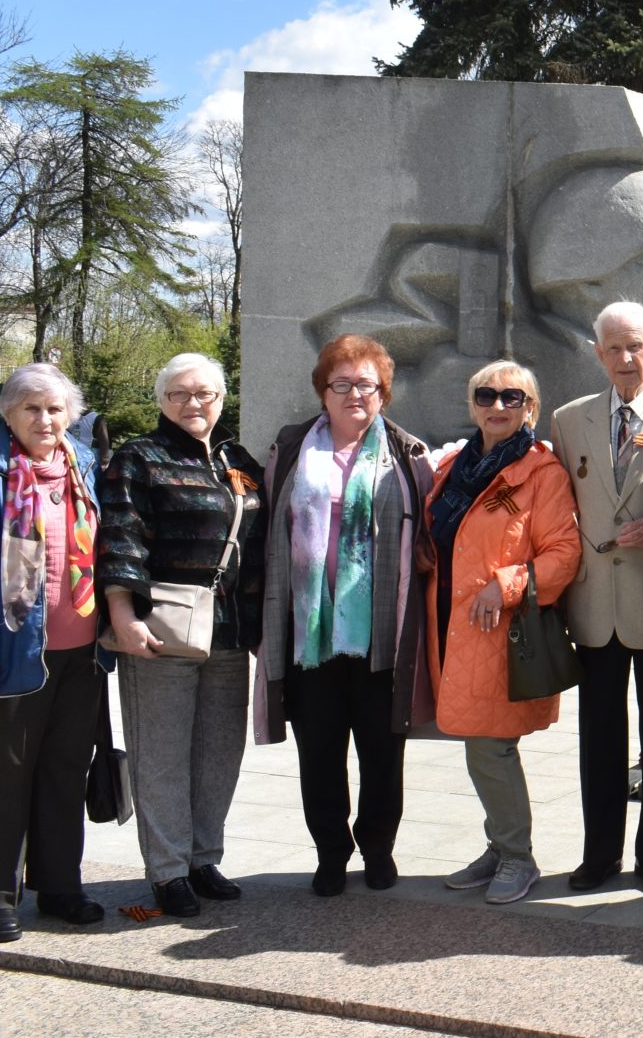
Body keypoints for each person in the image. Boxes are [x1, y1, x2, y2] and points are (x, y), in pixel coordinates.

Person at [256, 334, 434, 897]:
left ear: (383, 393)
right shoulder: (290, 449)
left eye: (366, 384)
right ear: (323, 390)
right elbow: (268, 536)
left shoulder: (408, 454)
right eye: (342, 383)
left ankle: (378, 848)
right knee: (321, 752)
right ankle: (331, 851)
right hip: (311, 634)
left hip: (383, 631)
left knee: (384, 752)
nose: (354, 393)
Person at [0, 364, 109, 943]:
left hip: (80, 655)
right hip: (8, 658)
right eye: (32, 408)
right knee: (2, 781)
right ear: (8, 414)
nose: (45, 419)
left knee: (64, 774)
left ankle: (60, 886)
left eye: (56, 408)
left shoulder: (83, 467)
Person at [99, 352, 265, 919]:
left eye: (205, 394)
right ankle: (168, 871)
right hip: (161, 629)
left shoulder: (237, 461)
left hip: (228, 632)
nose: (194, 404)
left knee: (219, 751)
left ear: (221, 399)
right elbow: (121, 537)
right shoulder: (139, 457)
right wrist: (123, 614)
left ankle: (203, 858)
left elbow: (259, 546)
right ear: (162, 400)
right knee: (162, 754)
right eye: (180, 394)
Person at [427, 361, 581, 905]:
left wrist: (508, 583)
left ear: (530, 408)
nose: (498, 406)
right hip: (451, 626)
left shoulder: (542, 472)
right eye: (486, 396)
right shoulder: (453, 466)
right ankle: (499, 847)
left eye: (512, 397)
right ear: (472, 405)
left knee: (491, 749)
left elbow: (564, 553)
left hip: (501, 631)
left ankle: (517, 855)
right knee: (478, 745)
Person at [549, 302, 643, 895]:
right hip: (594, 607)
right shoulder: (568, 420)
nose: (626, 359)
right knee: (599, 739)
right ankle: (599, 852)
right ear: (598, 353)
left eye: (637, 347)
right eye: (614, 348)